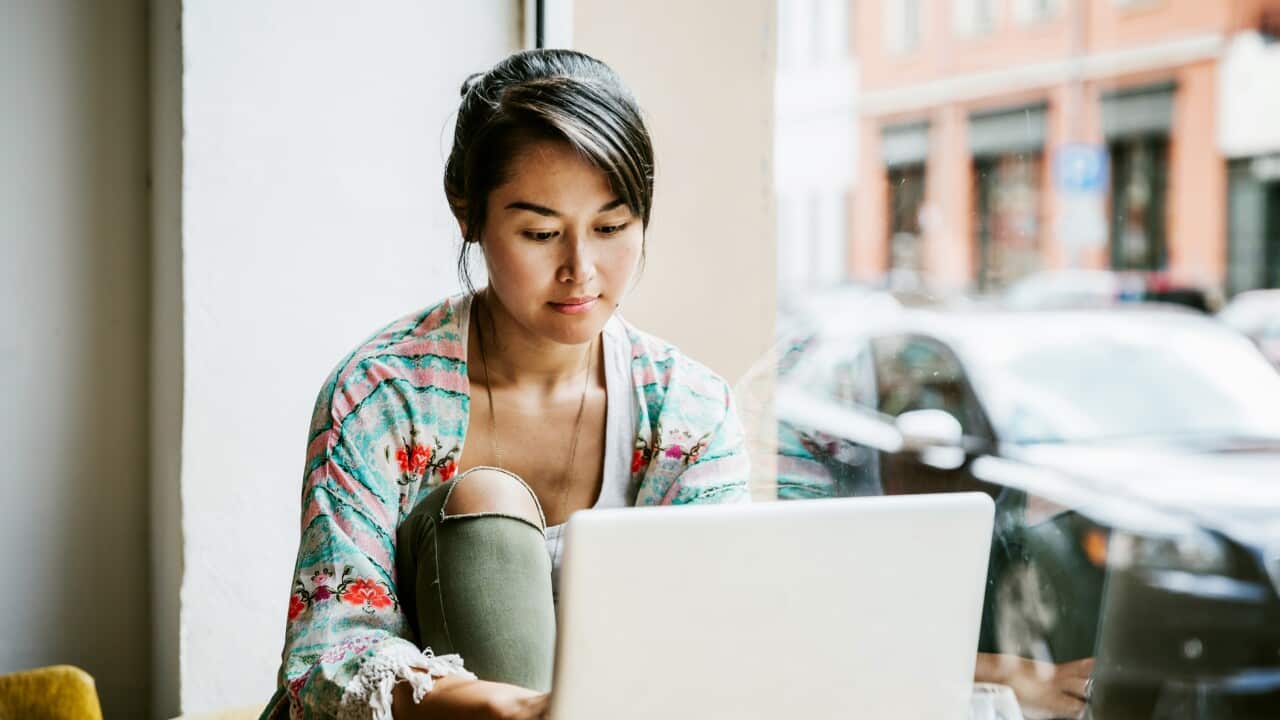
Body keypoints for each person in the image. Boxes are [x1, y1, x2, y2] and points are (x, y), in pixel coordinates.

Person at [261, 50, 751, 720]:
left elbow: (710, 638)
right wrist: (503, 709)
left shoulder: (690, 413)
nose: (581, 270)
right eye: (541, 232)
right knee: (486, 501)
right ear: (468, 214)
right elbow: (325, 658)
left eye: (611, 227)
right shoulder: (381, 394)